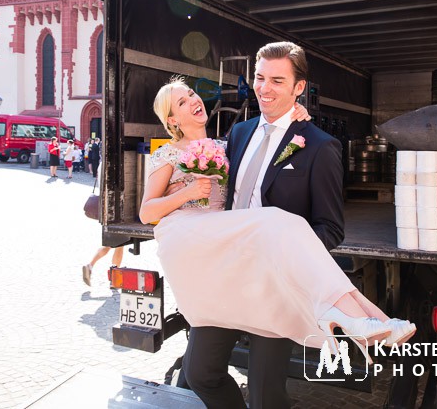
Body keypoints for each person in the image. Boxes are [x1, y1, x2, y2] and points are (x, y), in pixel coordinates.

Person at [140, 45, 414, 408]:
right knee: (201, 373)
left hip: (274, 283)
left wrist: (289, 264)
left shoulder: (318, 145)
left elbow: (329, 228)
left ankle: (351, 314)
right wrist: (183, 193)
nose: (265, 88)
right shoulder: (237, 134)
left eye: (278, 81)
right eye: (260, 78)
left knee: (267, 395)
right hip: (225, 270)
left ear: (299, 87)